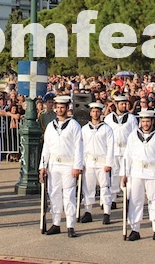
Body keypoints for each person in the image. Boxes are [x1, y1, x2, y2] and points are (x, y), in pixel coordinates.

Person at [120, 109, 155, 243]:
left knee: (154, 201)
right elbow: (127, 155)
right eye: (143, 121)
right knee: (135, 201)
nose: (145, 124)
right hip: (136, 172)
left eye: (148, 121)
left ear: (152, 121)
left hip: (153, 173)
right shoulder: (133, 135)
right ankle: (135, 230)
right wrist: (124, 173)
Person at [39, 95, 83, 238]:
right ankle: (56, 223)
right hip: (54, 165)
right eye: (57, 107)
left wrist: (77, 166)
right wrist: (43, 166)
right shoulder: (51, 126)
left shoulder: (74, 125)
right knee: (54, 194)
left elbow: (79, 147)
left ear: (67, 108)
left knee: (68, 195)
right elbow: (46, 147)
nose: (59, 109)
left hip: (69, 165)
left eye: (62, 107)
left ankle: (70, 225)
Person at [79, 102, 114, 225]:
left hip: (102, 162)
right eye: (93, 111)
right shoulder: (84, 129)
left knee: (105, 188)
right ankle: (88, 212)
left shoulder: (107, 128)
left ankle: (107, 213)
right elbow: (81, 147)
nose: (95, 113)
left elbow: (110, 147)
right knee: (88, 188)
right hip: (89, 162)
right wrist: (81, 163)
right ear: (90, 113)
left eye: (97, 111)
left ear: (100, 113)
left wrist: (109, 163)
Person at [105, 95, 138, 208]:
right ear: (117, 104)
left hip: (126, 150)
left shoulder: (131, 118)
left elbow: (135, 135)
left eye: (125, 104)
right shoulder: (108, 118)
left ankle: (127, 197)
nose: (124, 106)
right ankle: (113, 199)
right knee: (113, 175)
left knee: (126, 174)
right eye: (122, 104)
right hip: (113, 150)